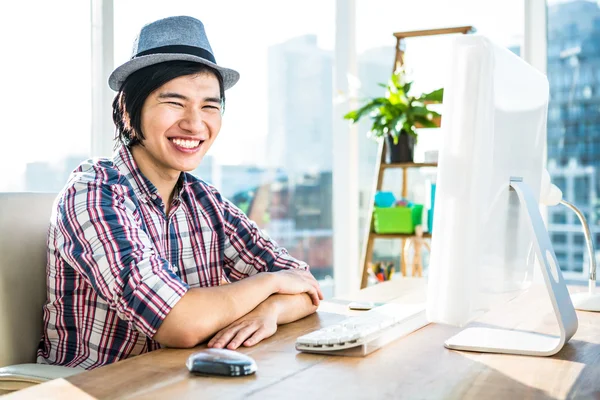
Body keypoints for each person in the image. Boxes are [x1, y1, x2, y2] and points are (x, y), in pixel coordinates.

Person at [37, 16, 323, 370]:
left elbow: (305, 285)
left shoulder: (204, 200)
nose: (194, 123)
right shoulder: (94, 193)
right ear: (128, 111)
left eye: (209, 106)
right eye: (174, 102)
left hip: (186, 382)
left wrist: (272, 308)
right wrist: (270, 282)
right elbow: (178, 323)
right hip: (101, 389)